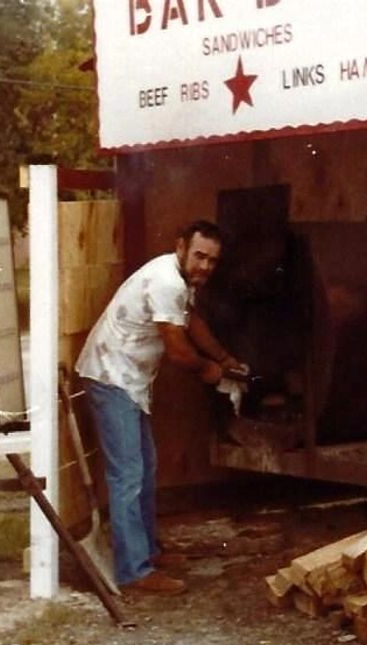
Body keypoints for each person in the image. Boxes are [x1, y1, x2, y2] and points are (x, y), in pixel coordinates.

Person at [76, 220, 243, 595]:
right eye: (199, 256)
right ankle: (133, 571)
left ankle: (147, 552)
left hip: (130, 380)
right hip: (110, 375)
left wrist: (225, 356)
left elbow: (193, 321)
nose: (205, 266)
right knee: (129, 475)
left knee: (145, 468)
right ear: (181, 246)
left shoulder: (182, 281)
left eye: (212, 261)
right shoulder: (167, 281)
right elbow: (178, 350)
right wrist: (210, 371)